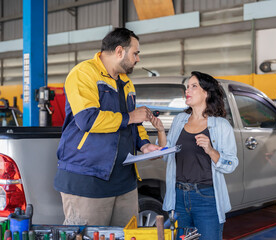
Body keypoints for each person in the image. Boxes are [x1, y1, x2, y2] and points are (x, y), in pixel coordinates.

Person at [54, 27, 160, 226]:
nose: (138, 59)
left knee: (128, 235)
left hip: (124, 182)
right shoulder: (83, 74)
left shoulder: (126, 81)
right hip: (88, 179)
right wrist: (129, 117)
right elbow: (88, 119)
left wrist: (144, 144)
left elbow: (135, 122)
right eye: (135, 53)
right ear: (120, 51)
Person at [150, 71, 239, 239]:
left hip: (206, 197)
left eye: (193, 86)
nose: (187, 91)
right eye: (187, 87)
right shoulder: (179, 120)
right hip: (178, 196)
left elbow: (231, 164)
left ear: (206, 92)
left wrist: (211, 150)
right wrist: (161, 131)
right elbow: (166, 154)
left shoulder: (221, 125)